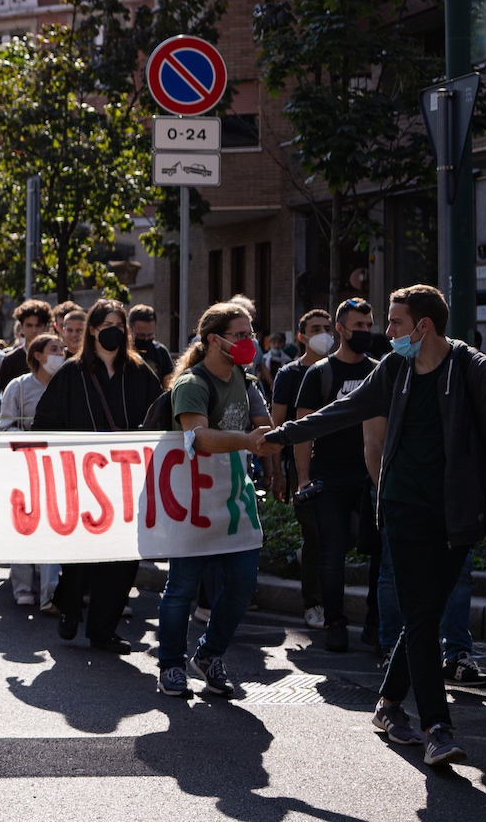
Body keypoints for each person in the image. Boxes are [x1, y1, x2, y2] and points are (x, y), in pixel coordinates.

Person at [261, 285, 486, 767]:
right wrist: (281, 437)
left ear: (422, 327)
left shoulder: (473, 368)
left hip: (458, 514)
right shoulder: (394, 369)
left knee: (423, 615)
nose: (386, 333)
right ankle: (437, 727)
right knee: (420, 614)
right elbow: (340, 412)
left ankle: (388, 706)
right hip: (403, 508)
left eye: (393, 323)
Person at [154, 301, 272, 699]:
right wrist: (248, 441)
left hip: (233, 500)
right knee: (181, 589)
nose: (249, 341)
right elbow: (198, 437)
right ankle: (171, 664)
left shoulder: (247, 379)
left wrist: (273, 437)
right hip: (193, 504)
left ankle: (209, 654)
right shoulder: (191, 383)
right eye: (240, 334)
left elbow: (263, 428)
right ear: (213, 341)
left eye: (251, 333)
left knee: (241, 584)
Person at [31, 298, 161, 654]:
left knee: (123, 556)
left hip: (126, 482)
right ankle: (70, 606)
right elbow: (45, 423)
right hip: (81, 481)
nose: (115, 331)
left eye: (120, 325)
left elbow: (158, 419)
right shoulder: (72, 373)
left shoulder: (139, 373)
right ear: (92, 330)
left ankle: (103, 629)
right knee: (81, 552)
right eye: (107, 325)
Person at [293, 300, 378, 652]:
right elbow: (302, 430)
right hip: (329, 477)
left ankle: (375, 625)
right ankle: (335, 623)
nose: (366, 331)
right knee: (332, 551)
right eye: (359, 325)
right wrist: (303, 479)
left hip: (370, 477)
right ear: (340, 329)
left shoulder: (380, 370)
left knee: (380, 552)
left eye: (370, 324)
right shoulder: (319, 374)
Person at [270, 307, 335, 630]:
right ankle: (314, 603)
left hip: (341, 468)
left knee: (341, 535)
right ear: (301, 336)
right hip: (303, 467)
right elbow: (276, 425)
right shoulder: (289, 375)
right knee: (316, 537)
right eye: (315, 327)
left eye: (327, 326)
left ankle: (306, 560)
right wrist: (278, 473)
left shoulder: (338, 369)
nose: (323, 332)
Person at [0, 332, 65, 609]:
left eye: (61, 350)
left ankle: (51, 592)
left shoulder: (67, 385)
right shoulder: (18, 387)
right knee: (24, 526)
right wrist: (30, 437)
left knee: (54, 528)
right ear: (38, 355)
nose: (60, 354)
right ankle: (23, 586)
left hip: (58, 468)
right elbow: (4, 428)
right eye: (54, 349)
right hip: (24, 468)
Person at [0, 299, 55, 386]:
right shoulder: (10, 360)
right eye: (29, 325)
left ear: (45, 327)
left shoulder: (55, 357)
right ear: (21, 327)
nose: (34, 330)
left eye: (38, 325)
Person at [128, 303, 175, 385]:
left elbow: (168, 385)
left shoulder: (160, 352)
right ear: (130, 330)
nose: (146, 339)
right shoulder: (122, 351)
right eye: (141, 335)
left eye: (150, 335)